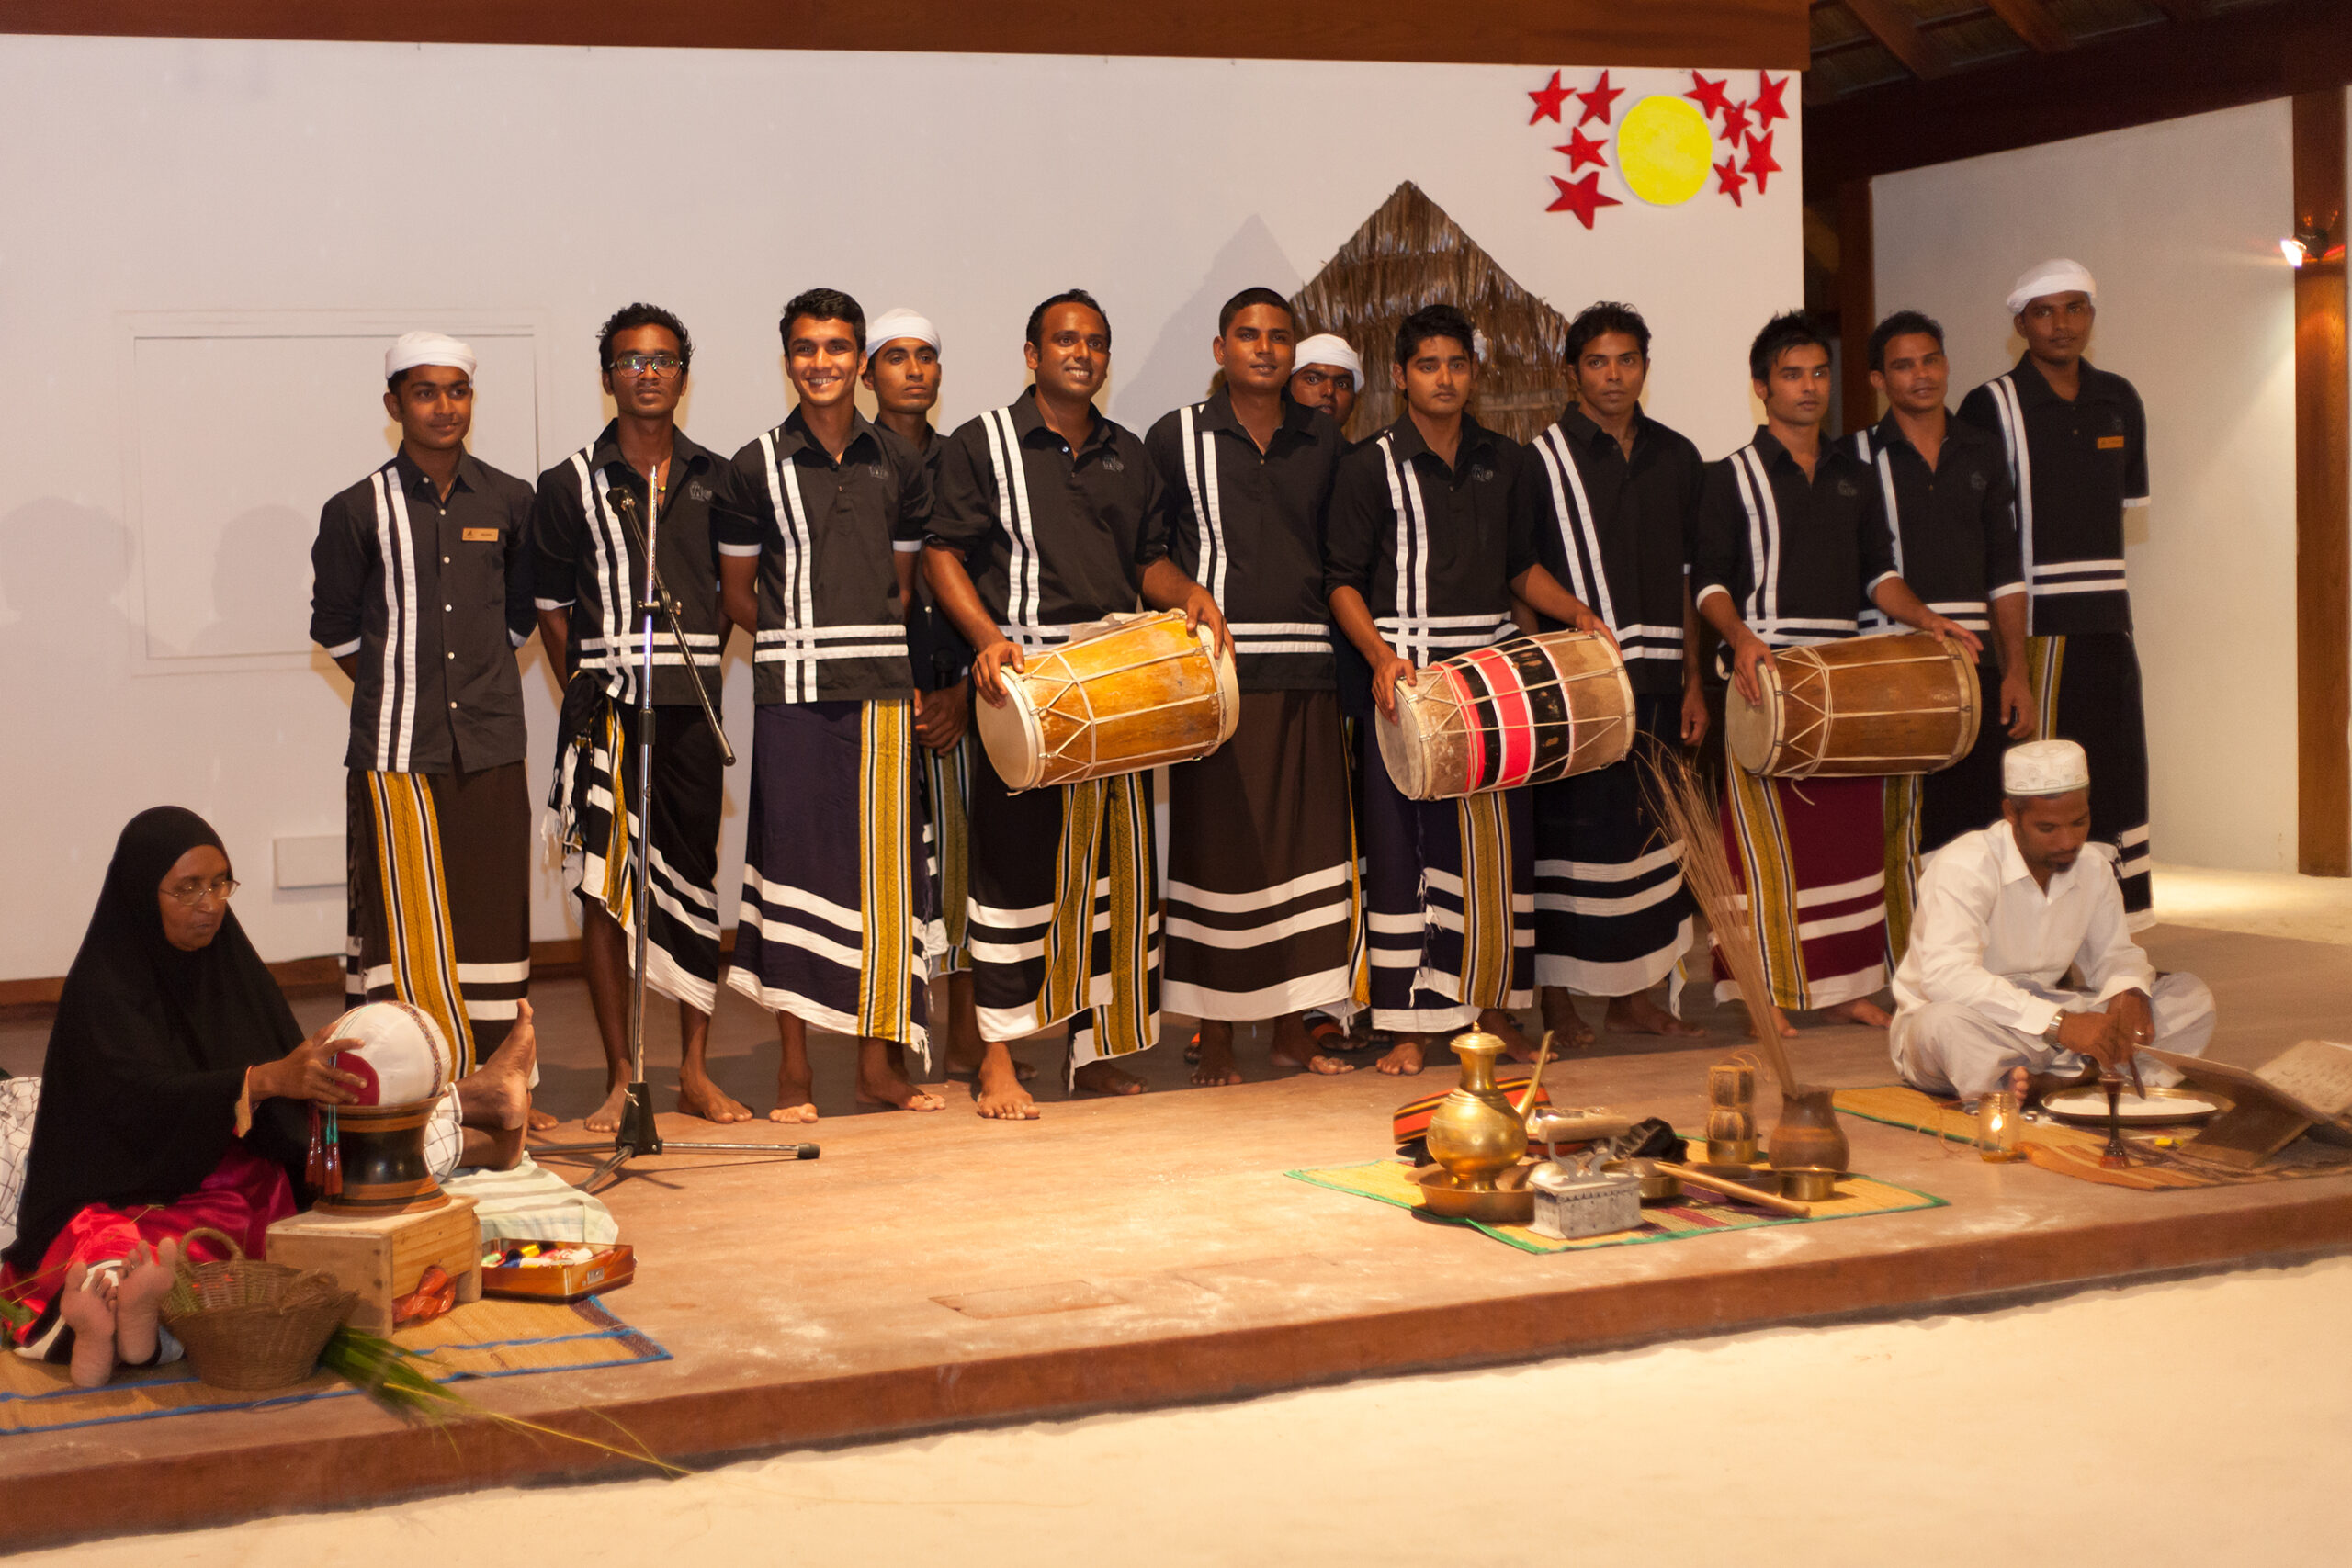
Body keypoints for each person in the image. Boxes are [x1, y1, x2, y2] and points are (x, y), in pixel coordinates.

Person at [0, 808, 536, 1387]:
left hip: (222, 1184)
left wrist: (306, 1082)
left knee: (336, 1150)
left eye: (220, 883)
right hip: (111, 1188)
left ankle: (480, 1111)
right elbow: (133, 1102)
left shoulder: (230, 964)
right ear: (140, 894)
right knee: (124, 1256)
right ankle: (120, 1327)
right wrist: (261, 1081)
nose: (210, 903)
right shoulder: (102, 986)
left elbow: (287, 1096)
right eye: (187, 889)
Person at [923, 288, 1229, 1118]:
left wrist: (1189, 592)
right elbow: (942, 555)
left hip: (1118, 685)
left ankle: (1092, 1053)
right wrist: (987, 638)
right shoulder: (980, 443)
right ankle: (998, 1057)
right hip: (1025, 692)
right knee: (1012, 876)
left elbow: (1147, 565)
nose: (1080, 353)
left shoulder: (1130, 454)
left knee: (1112, 880)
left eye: (1094, 342)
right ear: (1032, 354)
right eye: (1064, 339)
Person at [1324, 303, 1617, 1075]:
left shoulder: (1505, 459)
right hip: (1407, 682)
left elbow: (1522, 569)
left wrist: (1577, 612)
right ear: (1399, 377)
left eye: (1457, 363)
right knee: (1404, 854)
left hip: (1493, 686)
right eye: (1428, 365)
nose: (1444, 377)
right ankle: (1407, 1027)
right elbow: (1341, 583)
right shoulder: (1368, 464)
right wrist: (1381, 658)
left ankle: (1490, 1012)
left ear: (1473, 373)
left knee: (1496, 850)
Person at [1692, 312, 1982, 1032]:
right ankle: (1762, 994)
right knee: (1758, 845)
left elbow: (1879, 574)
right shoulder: (1729, 477)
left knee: (1847, 847)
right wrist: (1741, 636)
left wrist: (1925, 619)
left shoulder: (1855, 476)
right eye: (1791, 374)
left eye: (1819, 373)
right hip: (1764, 679)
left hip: (1843, 678)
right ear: (1761, 388)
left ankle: (1846, 986)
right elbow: (1708, 584)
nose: (1809, 387)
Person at [715, 288, 944, 1122]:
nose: (823, 363)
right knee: (793, 875)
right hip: (792, 699)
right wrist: (803, 643)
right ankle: (795, 1072)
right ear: (788, 362)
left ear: (859, 359)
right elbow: (738, 594)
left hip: (882, 698)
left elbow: (905, 584)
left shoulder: (902, 462)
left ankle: (879, 1066)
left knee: (882, 880)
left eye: (838, 348)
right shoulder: (752, 466)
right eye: (807, 349)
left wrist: (870, 652)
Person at [533, 303, 741, 1132]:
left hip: (689, 709)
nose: (647, 373)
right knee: (603, 892)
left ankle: (691, 1067)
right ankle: (623, 1073)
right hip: (603, 713)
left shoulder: (720, 478)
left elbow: (732, 602)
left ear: (683, 375)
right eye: (629, 361)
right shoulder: (568, 484)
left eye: (662, 360)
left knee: (691, 884)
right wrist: (579, 688)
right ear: (607, 376)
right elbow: (550, 606)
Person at [1146, 288, 1360, 1085]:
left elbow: (1344, 562)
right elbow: (1147, 554)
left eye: (1278, 337)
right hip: (1219, 683)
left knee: (1304, 857)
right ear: (1219, 349)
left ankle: (1290, 1030)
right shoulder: (1177, 436)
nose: (1264, 349)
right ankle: (1217, 1034)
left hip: (1309, 671)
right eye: (1247, 336)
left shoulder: (1325, 441)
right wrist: (1187, 596)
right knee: (1217, 857)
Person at [311, 332, 536, 1085]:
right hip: (395, 752)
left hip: (492, 747)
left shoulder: (511, 499)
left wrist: (470, 681)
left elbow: (516, 618)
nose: (445, 407)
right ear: (393, 404)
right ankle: (405, 1084)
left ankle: (500, 1081)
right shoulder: (353, 508)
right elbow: (336, 631)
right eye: (426, 392)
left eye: (458, 390)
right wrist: (399, 685)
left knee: (493, 922)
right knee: (400, 928)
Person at [1523, 302, 1706, 1046]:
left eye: (1627, 360)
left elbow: (1697, 580)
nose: (1613, 375)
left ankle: (1636, 995)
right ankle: (1560, 1002)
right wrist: (1546, 671)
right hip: (1581, 687)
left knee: (1651, 837)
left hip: (1663, 683)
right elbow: (1521, 572)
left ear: (1645, 369)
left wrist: (1696, 680)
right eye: (1597, 362)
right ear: (1572, 373)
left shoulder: (1678, 456)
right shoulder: (1541, 459)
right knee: (1566, 842)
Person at [1958, 261, 2154, 926]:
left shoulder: (2120, 399)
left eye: (2075, 309)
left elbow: (2122, 507)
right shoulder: (1991, 406)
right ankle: (2032, 934)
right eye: (2044, 312)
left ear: (2092, 317)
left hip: (2106, 626)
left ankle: (2111, 933)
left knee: (2114, 779)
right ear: (2020, 324)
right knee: (2037, 788)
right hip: (2032, 634)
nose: (2061, 324)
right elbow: (1981, 530)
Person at [1856, 310, 2037, 963]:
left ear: (1946, 364)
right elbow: (1869, 569)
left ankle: (1980, 955)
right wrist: (1926, 621)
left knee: (1981, 816)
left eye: (1930, 359)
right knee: (1904, 820)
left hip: (1980, 664)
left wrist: (2017, 668)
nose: (1921, 375)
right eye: (1903, 365)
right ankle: (1913, 959)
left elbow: (2006, 573)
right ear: (1879, 378)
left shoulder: (1984, 451)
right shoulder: (1857, 455)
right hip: (1894, 661)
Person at [1891, 740, 2212, 1105]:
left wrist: (2129, 992)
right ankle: (2081, 1075)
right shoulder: (1965, 865)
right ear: (2011, 813)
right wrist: (2060, 1025)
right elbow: (1946, 978)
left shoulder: (2092, 867)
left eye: (2080, 822)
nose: (2068, 841)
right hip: (1976, 1019)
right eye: (2048, 828)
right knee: (1942, 1026)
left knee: (2188, 996)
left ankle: (2053, 1082)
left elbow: (2115, 954)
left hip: (2050, 1020)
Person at [862, 309, 1009, 1088]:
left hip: (961, 695)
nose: (913, 370)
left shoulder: (968, 459)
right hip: (874, 700)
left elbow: (978, 577)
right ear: (867, 374)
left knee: (963, 868)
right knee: (889, 874)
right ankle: (884, 1043)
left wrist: (956, 691)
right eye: (895, 358)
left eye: (925, 357)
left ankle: (964, 1038)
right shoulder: (848, 459)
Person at [1289, 333, 1364, 434]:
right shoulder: (1266, 449)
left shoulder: (1372, 450)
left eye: (1342, 384)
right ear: (1287, 389)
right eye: (1313, 380)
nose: (1329, 391)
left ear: (1354, 400)